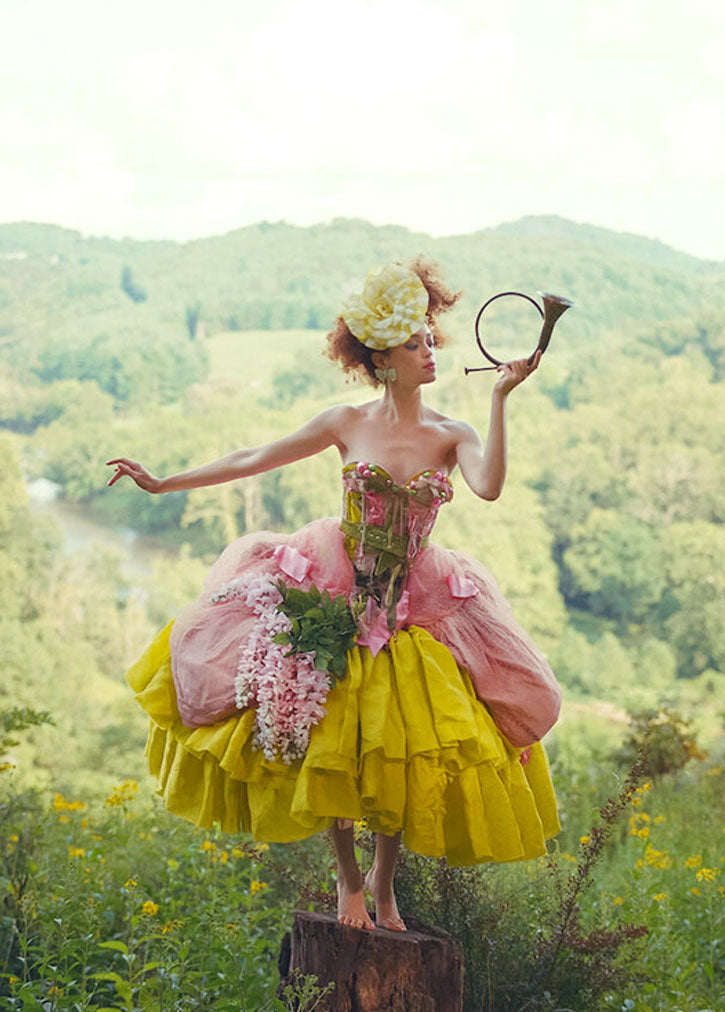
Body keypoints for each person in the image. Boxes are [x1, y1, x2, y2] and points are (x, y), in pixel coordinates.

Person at [106, 259, 560, 932]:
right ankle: (349, 880)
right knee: (330, 737)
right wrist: (163, 482)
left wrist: (499, 400)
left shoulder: (451, 433)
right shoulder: (345, 422)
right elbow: (252, 458)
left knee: (400, 742)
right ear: (382, 358)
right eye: (415, 344)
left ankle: (383, 883)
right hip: (336, 587)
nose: (430, 352)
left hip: (412, 599)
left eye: (431, 340)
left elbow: (489, 485)